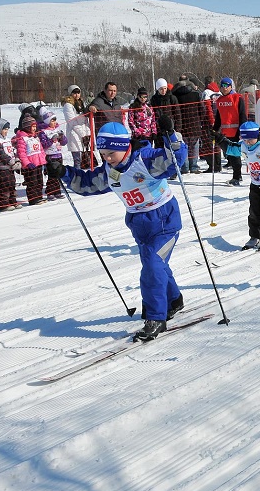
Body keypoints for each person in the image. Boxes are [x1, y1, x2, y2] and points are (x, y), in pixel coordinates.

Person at [58, 118, 187, 341]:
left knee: (152, 265)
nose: (107, 159)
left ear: (123, 147)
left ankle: (156, 317)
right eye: (103, 154)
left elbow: (174, 160)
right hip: (141, 226)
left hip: (165, 222)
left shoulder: (144, 161)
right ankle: (174, 299)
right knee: (155, 264)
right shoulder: (109, 171)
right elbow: (89, 183)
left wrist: (170, 136)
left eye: (111, 154)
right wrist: (63, 172)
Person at [217, 121, 260, 250]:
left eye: (250, 139)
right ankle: (255, 236)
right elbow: (231, 149)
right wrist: (220, 140)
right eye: (245, 139)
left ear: (257, 136)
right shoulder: (243, 145)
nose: (247, 142)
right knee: (254, 211)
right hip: (256, 182)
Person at [213, 77, 247, 186]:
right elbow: (218, 117)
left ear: (231, 86)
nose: (224, 88)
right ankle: (237, 175)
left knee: (235, 155)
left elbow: (242, 115)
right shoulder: (219, 101)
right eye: (222, 86)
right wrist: (214, 130)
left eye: (226, 86)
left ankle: (237, 177)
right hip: (225, 132)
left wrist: (243, 131)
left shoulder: (237, 98)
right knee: (230, 156)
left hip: (236, 131)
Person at [171, 74, 205, 173]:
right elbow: (202, 109)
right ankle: (193, 165)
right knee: (194, 146)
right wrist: (199, 120)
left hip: (181, 125)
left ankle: (184, 167)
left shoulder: (174, 95)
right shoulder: (196, 94)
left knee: (183, 146)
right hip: (195, 124)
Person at [14, 115, 47, 205]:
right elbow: (21, 153)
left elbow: (41, 150)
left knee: (39, 181)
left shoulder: (35, 137)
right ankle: (33, 199)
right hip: (30, 165)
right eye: (33, 126)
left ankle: (39, 196)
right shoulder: (22, 138)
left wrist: (44, 160)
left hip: (38, 163)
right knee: (32, 182)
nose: (34, 128)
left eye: (35, 126)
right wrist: (27, 163)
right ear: (27, 127)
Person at [0, 118, 22, 210]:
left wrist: (16, 159)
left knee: (12, 184)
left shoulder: (7, 140)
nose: (6, 131)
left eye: (7, 129)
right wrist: (10, 161)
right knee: (4, 186)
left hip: (10, 168)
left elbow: (12, 151)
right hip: (2, 168)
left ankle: (13, 201)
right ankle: (4, 204)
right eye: (4, 129)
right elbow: (0, 154)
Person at [38, 110, 67, 200]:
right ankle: (50, 191)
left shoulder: (57, 129)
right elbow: (43, 144)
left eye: (55, 120)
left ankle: (57, 191)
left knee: (59, 173)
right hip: (50, 155)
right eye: (52, 120)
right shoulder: (43, 132)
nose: (54, 122)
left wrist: (62, 137)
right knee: (52, 175)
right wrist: (51, 140)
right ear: (47, 121)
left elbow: (65, 142)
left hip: (58, 154)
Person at [63, 85, 92, 169]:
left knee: (85, 160)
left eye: (78, 92)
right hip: (74, 134)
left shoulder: (81, 104)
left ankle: (83, 177)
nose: (77, 95)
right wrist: (83, 134)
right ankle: (77, 177)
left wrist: (87, 133)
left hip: (83, 134)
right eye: (74, 93)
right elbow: (72, 121)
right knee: (77, 160)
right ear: (70, 94)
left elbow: (85, 120)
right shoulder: (68, 105)